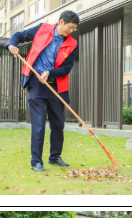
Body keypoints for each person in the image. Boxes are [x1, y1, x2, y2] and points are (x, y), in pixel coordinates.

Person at [5, 10, 79, 172]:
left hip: (56, 86)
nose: (71, 31)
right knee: (38, 124)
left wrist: (50, 73)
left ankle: (54, 157)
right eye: (70, 27)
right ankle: (36, 162)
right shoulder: (42, 29)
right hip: (36, 83)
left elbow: (67, 68)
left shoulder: (73, 43)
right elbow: (19, 35)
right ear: (61, 22)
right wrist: (12, 45)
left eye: (74, 28)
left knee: (58, 123)